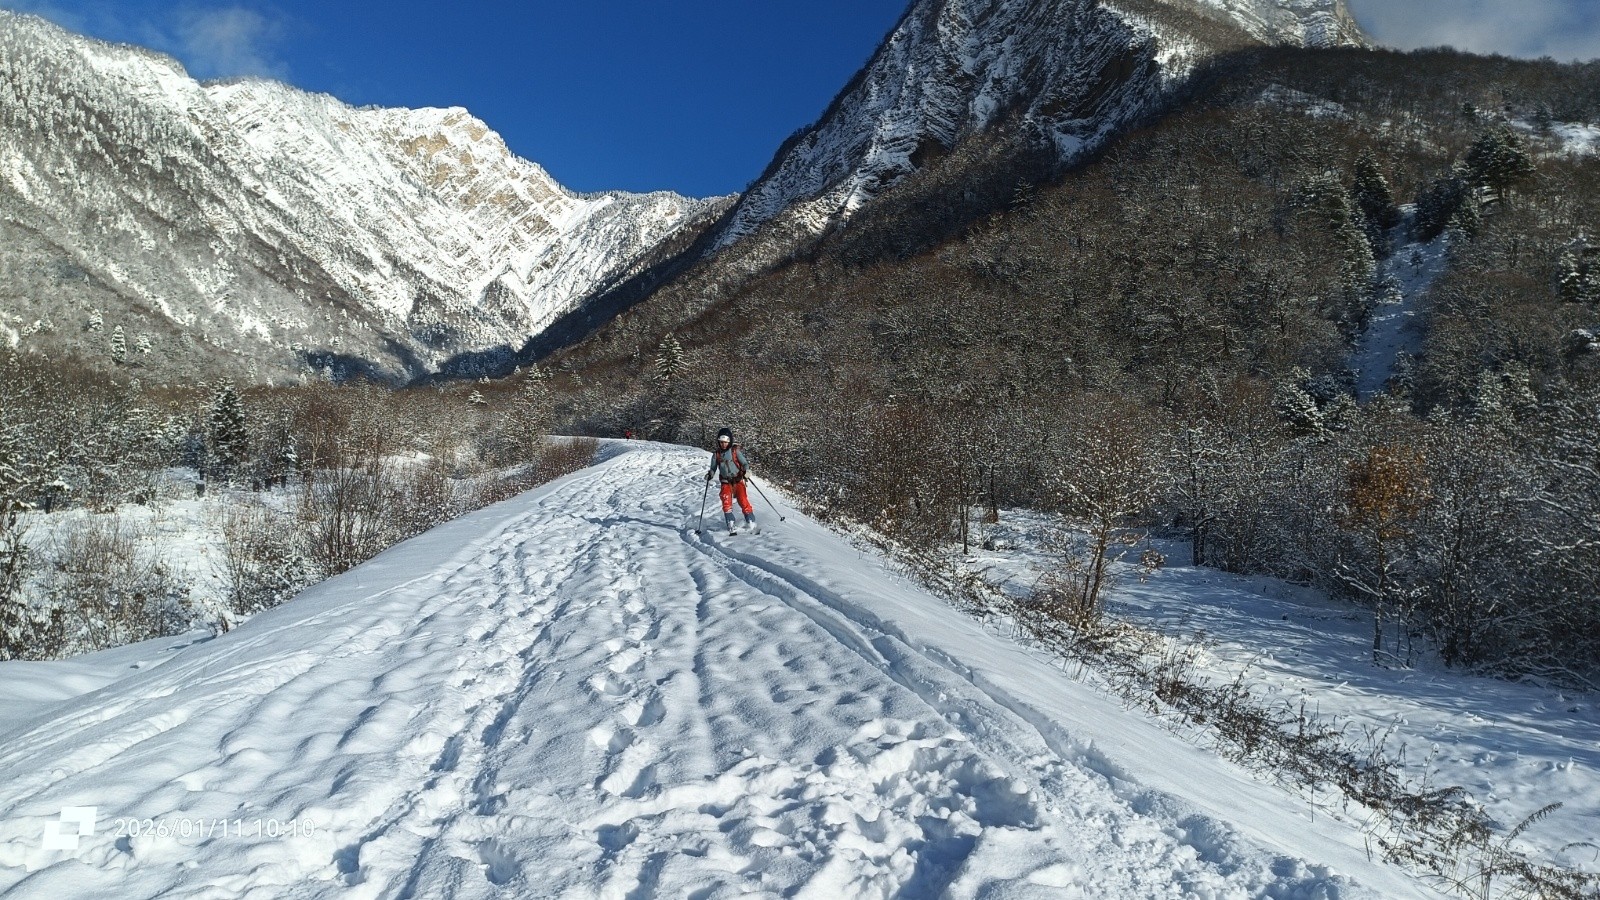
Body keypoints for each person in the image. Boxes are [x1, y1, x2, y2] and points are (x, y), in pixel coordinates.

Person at [705, 427, 756, 533]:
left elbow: (745, 463)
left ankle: (751, 521)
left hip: (737, 480)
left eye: (725, 442)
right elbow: (713, 468)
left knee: (743, 500)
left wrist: (747, 471)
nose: (723, 444)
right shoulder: (716, 455)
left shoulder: (734, 451)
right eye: (721, 442)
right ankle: (730, 523)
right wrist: (710, 474)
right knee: (726, 500)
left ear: (729, 441)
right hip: (725, 481)